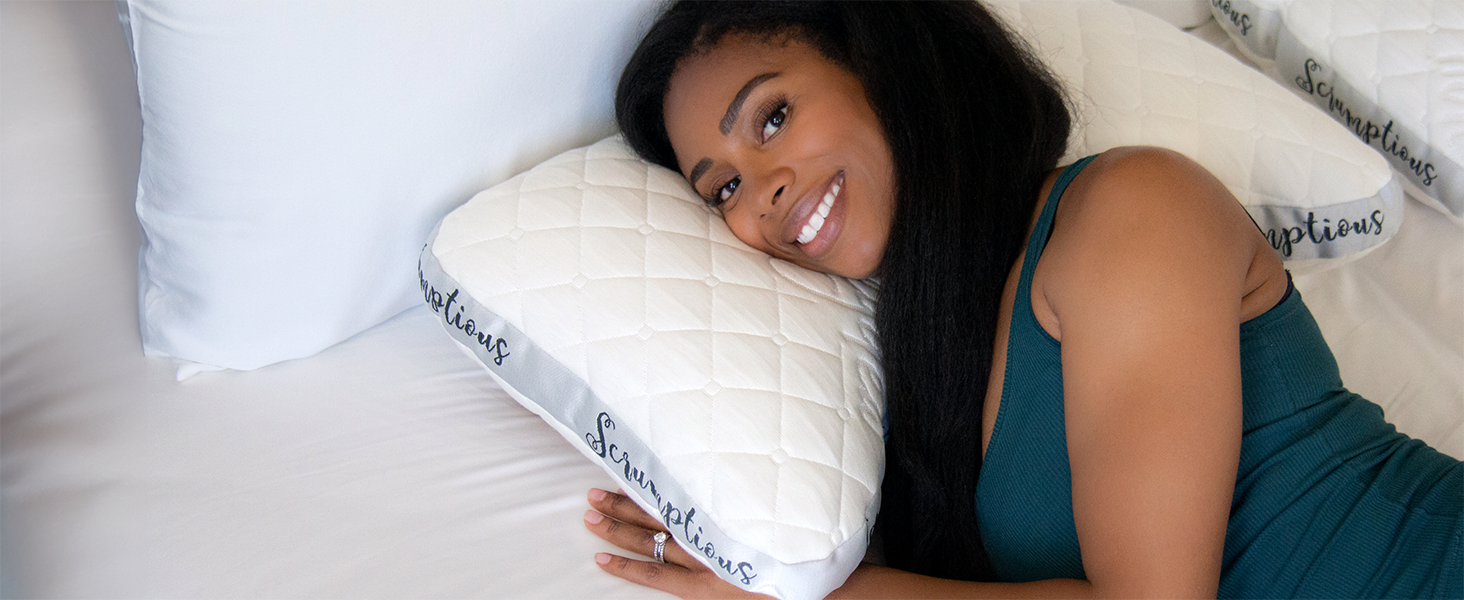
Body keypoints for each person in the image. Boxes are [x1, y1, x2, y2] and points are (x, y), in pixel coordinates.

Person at [581, 0, 1464, 598]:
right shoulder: (907, 370)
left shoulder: (1131, 213)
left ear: (886, 66)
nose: (762, 190)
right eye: (722, 188)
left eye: (772, 118)